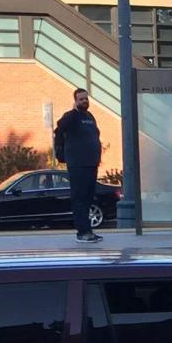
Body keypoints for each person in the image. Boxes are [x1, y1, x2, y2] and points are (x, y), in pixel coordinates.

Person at [53, 87, 104, 242]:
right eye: (81, 99)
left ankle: (89, 230)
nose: (84, 101)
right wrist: (61, 153)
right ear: (75, 101)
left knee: (88, 197)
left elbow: (96, 135)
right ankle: (82, 232)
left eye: (86, 98)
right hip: (77, 164)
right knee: (79, 198)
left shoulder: (90, 117)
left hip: (91, 164)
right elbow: (59, 131)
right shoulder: (70, 116)